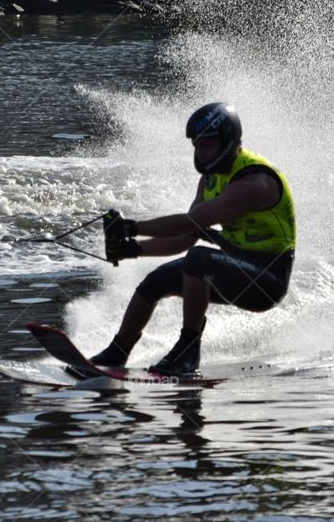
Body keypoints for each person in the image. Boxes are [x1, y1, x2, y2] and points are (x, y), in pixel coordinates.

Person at [91, 102, 296, 376]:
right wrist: (134, 249)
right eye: (196, 146)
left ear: (228, 142)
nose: (200, 153)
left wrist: (132, 228)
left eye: (207, 146)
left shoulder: (254, 183)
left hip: (266, 281)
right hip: (233, 268)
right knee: (156, 281)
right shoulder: (210, 180)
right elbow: (187, 236)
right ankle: (117, 351)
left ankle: (188, 352)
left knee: (199, 260)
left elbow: (190, 222)